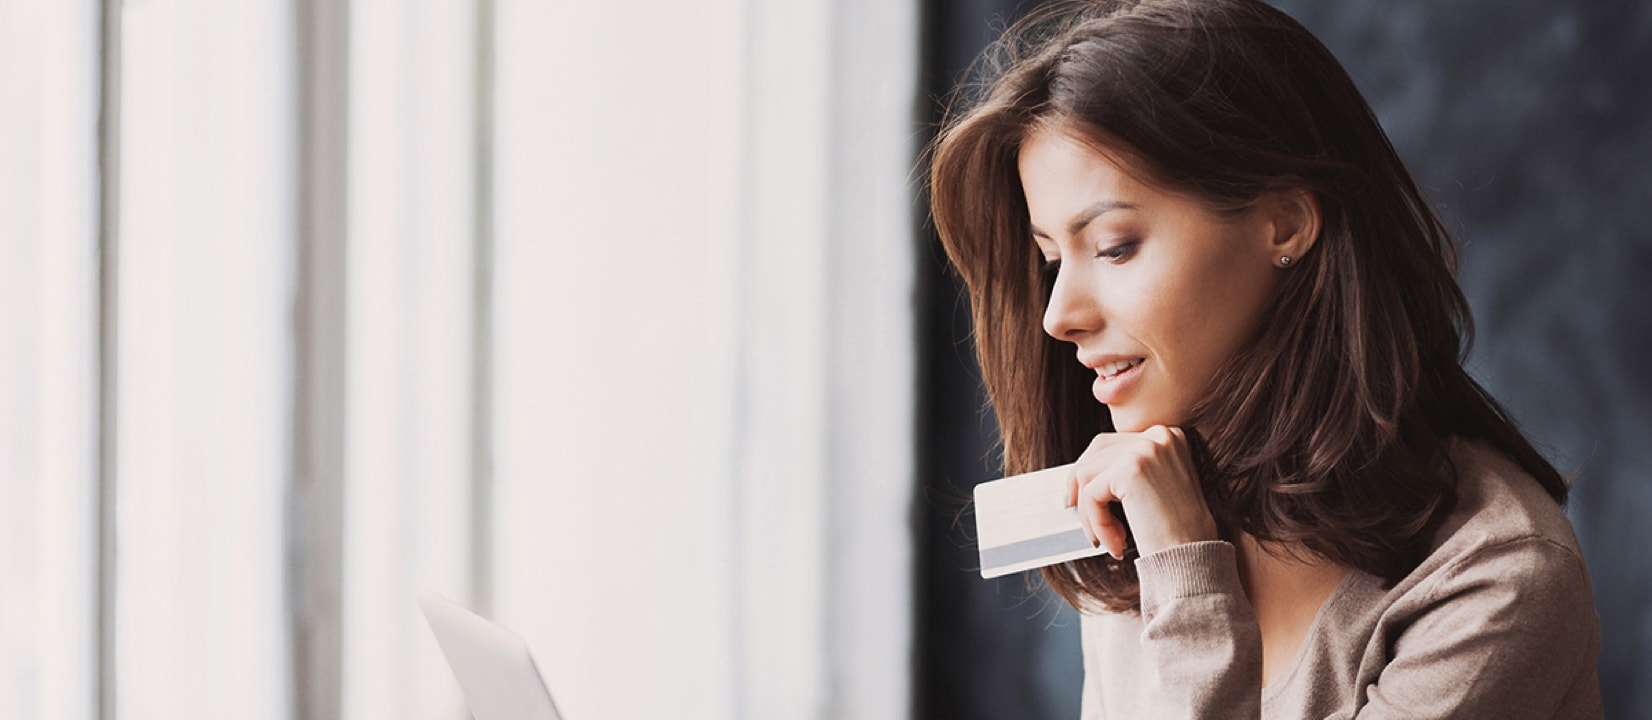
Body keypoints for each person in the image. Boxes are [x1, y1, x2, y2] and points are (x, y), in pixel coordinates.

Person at [926, 0, 1603, 717]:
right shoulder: (1141, 508)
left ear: (1285, 222)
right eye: (1051, 259)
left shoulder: (1493, 577)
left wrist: (1188, 577)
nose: (1059, 316)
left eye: (1115, 246)